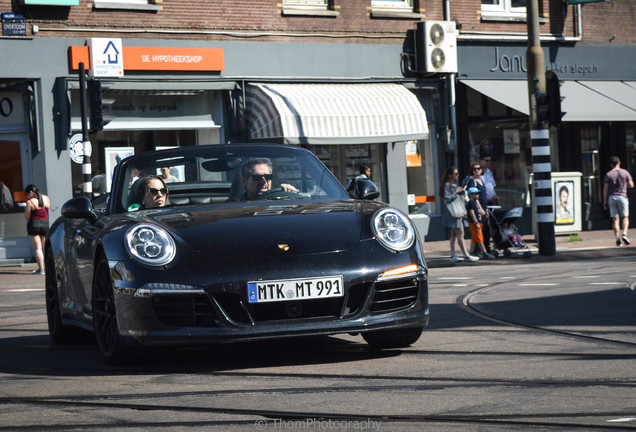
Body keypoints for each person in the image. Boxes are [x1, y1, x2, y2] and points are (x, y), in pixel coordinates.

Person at [439, 167, 478, 263]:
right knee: (460, 234)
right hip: (453, 213)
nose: (457, 175)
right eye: (455, 174)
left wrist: (461, 192)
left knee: (454, 234)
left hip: (453, 213)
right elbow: (447, 199)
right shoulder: (448, 185)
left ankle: (453, 255)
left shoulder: (452, 185)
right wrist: (456, 193)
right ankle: (466, 255)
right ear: (450, 175)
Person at [603, 156, 634, 247]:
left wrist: (605, 202)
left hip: (612, 197)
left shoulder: (608, 174)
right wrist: (625, 185)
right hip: (623, 197)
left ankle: (617, 239)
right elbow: (631, 185)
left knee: (615, 219)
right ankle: (624, 234)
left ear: (611, 164)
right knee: (625, 217)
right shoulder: (625, 172)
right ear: (619, 163)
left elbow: (605, 189)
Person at [464, 161, 491, 254]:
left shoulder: (482, 180)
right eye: (474, 169)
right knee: (478, 230)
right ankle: (481, 251)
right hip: (477, 209)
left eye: (478, 168)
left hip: (484, 207)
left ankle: (475, 250)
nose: (477, 171)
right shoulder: (472, 181)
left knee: (482, 230)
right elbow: (474, 197)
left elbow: (483, 196)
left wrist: (486, 209)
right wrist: (480, 209)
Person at [24, 184, 50, 275]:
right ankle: (49, 267)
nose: (27, 197)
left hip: (34, 225)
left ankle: (41, 269)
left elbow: (27, 217)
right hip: (45, 224)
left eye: (27, 194)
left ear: (31, 192)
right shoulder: (46, 198)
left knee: (38, 248)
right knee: (45, 248)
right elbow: (47, 210)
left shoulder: (30, 202)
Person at [466, 187, 495, 260]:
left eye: (478, 193)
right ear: (471, 195)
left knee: (474, 238)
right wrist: (476, 222)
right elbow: (472, 213)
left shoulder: (475, 202)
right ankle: (485, 253)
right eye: (476, 194)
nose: (478, 195)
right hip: (474, 223)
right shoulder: (471, 203)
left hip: (478, 223)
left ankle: (471, 252)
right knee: (480, 238)